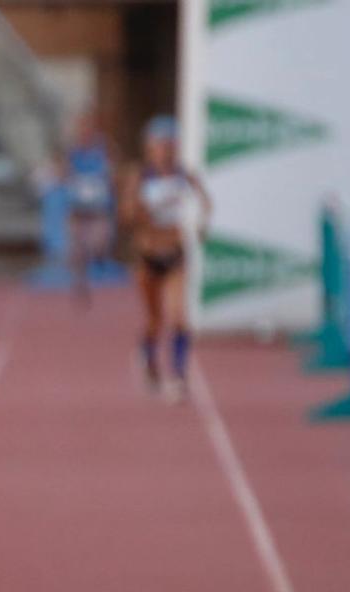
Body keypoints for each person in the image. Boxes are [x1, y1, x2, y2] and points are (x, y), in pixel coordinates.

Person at [119, 115, 211, 402]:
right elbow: (125, 216)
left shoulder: (185, 175)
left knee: (179, 317)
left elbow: (206, 202)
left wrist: (201, 223)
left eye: (171, 145)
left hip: (175, 254)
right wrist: (138, 212)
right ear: (150, 147)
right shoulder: (140, 176)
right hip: (147, 256)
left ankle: (180, 375)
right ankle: (149, 360)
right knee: (154, 321)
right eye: (161, 145)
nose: (166, 150)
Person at [62, 111, 116, 307]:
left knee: (99, 243)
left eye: (88, 128)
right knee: (77, 251)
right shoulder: (71, 150)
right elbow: (63, 172)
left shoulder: (103, 148)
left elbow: (111, 172)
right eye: (81, 128)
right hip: (78, 207)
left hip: (98, 207)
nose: (84, 132)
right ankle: (80, 285)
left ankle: (100, 257)